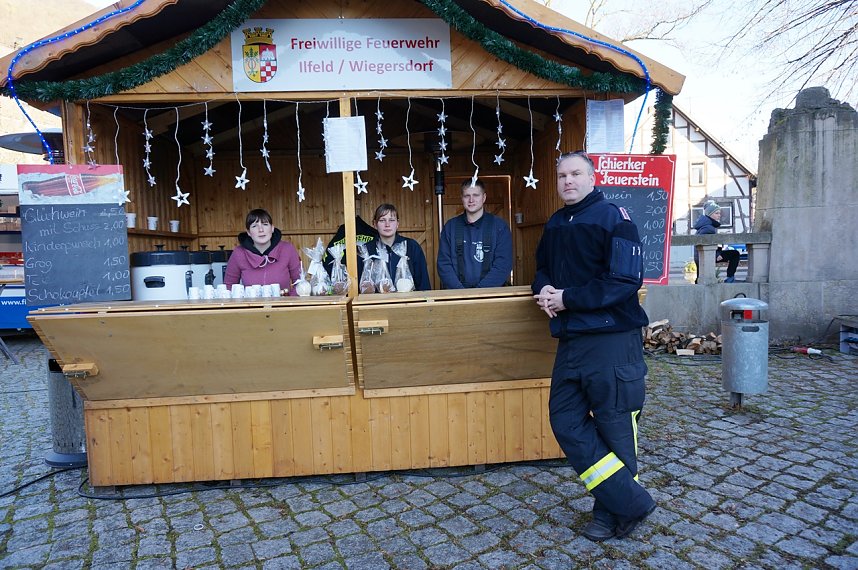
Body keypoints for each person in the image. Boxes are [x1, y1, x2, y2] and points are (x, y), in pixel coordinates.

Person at [532, 151, 656, 542]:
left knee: (616, 427)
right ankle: (632, 501)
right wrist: (544, 290)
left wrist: (567, 299)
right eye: (562, 175)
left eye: (575, 174)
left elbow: (624, 280)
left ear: (591, 177)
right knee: (564, 419)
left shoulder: (614, 218)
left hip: (612, 342)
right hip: (572, 341)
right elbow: (542, 270)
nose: (568, 181)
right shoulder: (555, 223)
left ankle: (610, 513)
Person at [437, 179, 513, 288]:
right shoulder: (450, 227)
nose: (471, 200)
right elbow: (444, 264)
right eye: (467, 196)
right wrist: (460, 293)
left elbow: (503, 264)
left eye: (476, 195)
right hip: (458, 296)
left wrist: (480, 292)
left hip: (491, 295)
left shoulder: (500, 227)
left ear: (484, 197)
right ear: (462, 198)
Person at [224, 208, 301, 294]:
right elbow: (229, 287)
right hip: (251, 306)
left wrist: (289, 303)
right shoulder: (239, 253)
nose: (261, 230)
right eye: (254, 226)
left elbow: (300, 283)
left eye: (265, 224)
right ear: (248, 232)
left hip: (283, 306)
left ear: (272, 228)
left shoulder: (287, 249)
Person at [364, 203, 431, 291]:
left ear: (397, 224)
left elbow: (423, 283)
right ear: (375, 224)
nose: (387, 224)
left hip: (408, 302)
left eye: (391, 220)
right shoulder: (367, 250)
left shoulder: (411, 246)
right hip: (377, 303)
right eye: (382, 220)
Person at [693, 201, 740, 283]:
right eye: (716, 213)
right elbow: (704, 242)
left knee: (700, 278)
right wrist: (717, 255)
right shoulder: (709, 227)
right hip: (706, 255)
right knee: (735, 254)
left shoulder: (706, 224)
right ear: (710, 214)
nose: (719, 215)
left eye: (719, 213)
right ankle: (730, 278)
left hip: (701, 256)